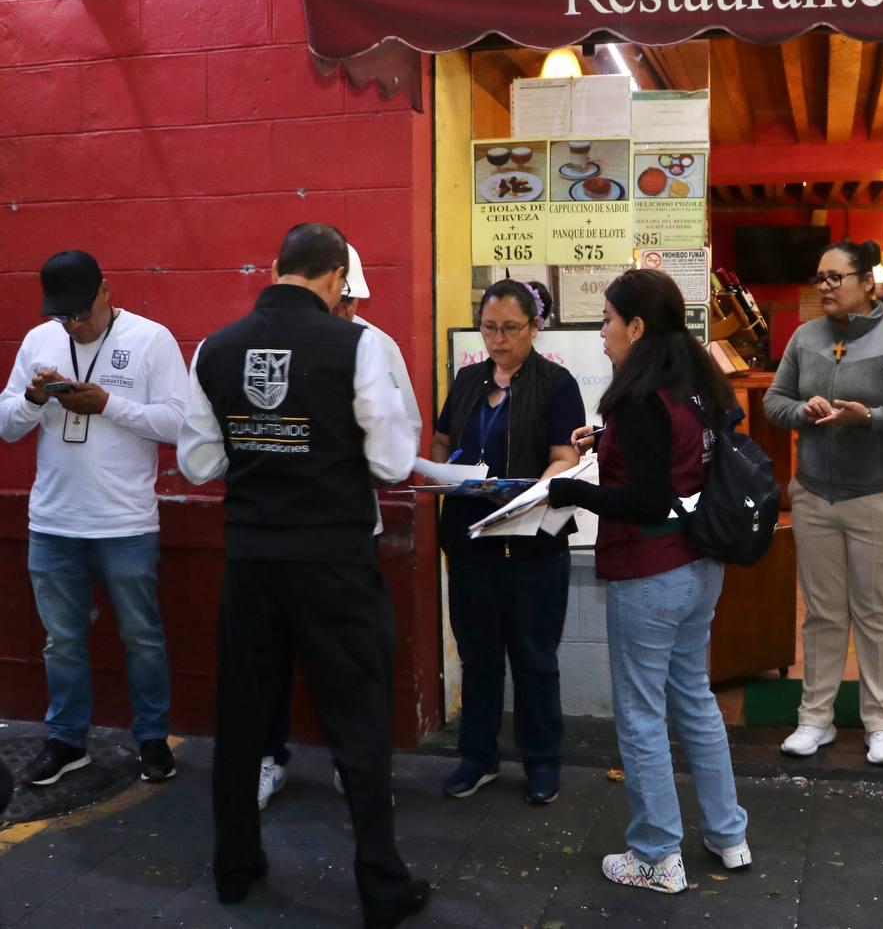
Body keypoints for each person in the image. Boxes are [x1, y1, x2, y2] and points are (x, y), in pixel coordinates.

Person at [177, 224, 428, 926]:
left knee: (242, 718)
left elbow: (198, 463)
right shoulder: (358, 346)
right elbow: (389, 461)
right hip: (334, 561)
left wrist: (261, 447)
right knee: (357, 721)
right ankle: (381, 885)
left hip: (252, 558)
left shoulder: (215, 347)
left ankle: (235, 866)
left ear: (280, 267)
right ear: (336, 278)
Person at [547, 269, 750, 895]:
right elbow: (683, 455)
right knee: (694, 701)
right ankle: (727, 835)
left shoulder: (639, 396)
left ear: (636, 327)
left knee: (640, 714)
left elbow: (645, 499)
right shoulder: (697, 383)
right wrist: (608, 444)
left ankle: (656, 855)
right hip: (701, 566)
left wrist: (572, 487)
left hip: (652, 572)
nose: (603, 332)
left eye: (608, 320)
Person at [0, 251, 185, 787]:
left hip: (124, 523)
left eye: (81, 313)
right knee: (61, 640)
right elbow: (8, 425)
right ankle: (66, 740)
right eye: (64, 316)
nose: (74, 325)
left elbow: (179, 423)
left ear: (106, 290)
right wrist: (35, 399)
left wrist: (108, 405)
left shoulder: (152, 340)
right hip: (53, 521)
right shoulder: (40, 341)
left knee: (142, 637)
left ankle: (151, 738)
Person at [764, 240, 883, 767]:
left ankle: (881, 725)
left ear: (868, 281)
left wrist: (870, 417)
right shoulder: (804, 337)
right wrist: (804, 409)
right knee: (822, 614)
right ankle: (814, 719)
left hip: (879, 497)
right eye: (818, 278)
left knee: (877, 613)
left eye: (834, 277)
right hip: (815, 495)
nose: (824, 287)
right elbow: (775, 402)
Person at [257, 241, 423, 811]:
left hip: (350, 527)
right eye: (341, 302)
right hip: (277, 528)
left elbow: (407, 429)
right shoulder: (262, 338)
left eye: (354, 303)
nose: (347, 313)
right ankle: (268, 757)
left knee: (351, 662)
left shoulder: (377, 345)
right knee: (269, 658)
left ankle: (353, 769)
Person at [430, 279, 584, 805]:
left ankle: (542, 762)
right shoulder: (469, 378)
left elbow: (566, 457)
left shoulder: (556, 383)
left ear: (534, 328)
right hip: (471, 542)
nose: (498, 339)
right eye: (490, 328)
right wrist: (438, 470)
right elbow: (444, 441)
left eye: (511, 329)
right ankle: (478, 757)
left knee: (535, 658)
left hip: (533, 544)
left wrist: (532, 493)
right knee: (479, 658)